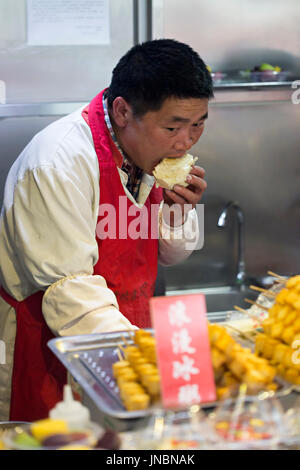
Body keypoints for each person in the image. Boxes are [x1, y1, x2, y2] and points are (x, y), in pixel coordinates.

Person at [0, 39, 213, 421]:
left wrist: (179, 215)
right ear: (121, 112)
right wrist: (152, 362)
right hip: (50, 348)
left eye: (198, 125)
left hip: (127, 330)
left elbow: (169, 255)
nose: (186, 142)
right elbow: (69, 288)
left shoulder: (148, 150)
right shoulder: (57, 162)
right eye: (172, 127)